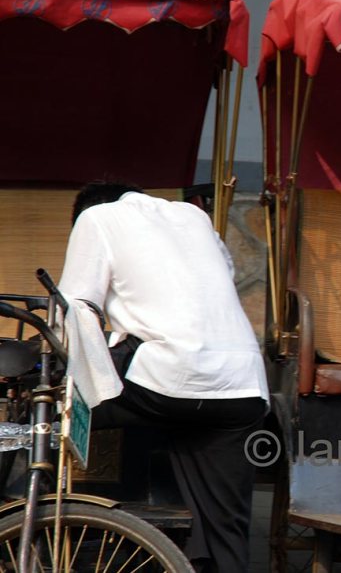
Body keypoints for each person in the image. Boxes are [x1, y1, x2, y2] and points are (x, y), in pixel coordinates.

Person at [58, 182, 269, 573]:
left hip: (165, 379)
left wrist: (88, 390)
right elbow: (224, 272)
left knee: (46, 412)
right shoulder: (194, 217)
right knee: (227, 532)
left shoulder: (97, 218)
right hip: (242, 384)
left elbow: (76, 306)